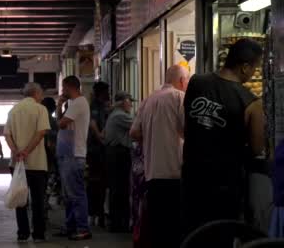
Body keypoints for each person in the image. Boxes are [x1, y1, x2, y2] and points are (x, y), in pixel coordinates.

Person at [182, 38, 265, 236]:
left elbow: (185, 122)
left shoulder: (196, 82)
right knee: (221, 236)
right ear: (245, 67)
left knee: (193, 235)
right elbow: (256, 148)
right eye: (254, 68)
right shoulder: (251, 103)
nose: (253, 73)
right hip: (225, 184)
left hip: (192, 178)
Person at [130, 65, 189, 248]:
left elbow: (134, 132)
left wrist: (151, 139)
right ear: (181, 81)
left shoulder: (148, 100)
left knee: (157, 227)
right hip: (174, 172)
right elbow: (189, 130)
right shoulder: (179, 97)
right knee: (174, 228)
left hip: (152, 173)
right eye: (187, 80)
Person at [4, 82, 51, 243]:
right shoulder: (41, 109)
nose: (42, 96)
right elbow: (41, 133)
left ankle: (22, 233)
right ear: (36, 93)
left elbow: (7, 135)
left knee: (20, 199)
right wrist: (27, 152)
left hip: (17, 164)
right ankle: (38, 234)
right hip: (37, 163)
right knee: (38, 200)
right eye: (41, 93)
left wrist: (17, 151)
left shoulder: (13, 110)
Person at [55, 76, 92, 241]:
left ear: (70, 87)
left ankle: (83, 229)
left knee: (76, 194)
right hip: (69, 154)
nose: (63, 92)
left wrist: (59, 104)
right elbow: (61, 121)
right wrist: (59, 104)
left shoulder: (79, 103)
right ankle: (70, 226)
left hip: (74, 155)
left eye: (64, 88)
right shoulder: (73, 104)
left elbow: (61, 123)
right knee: (69, 195)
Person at [104, 91, 135, 233]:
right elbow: (138, 125)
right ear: (122, 102)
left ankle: (117, 221)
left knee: (118, 189)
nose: (131, 104)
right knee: (120, 189)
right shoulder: (120, 116)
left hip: (114, 154)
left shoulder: (114, 114)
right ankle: (118, 223)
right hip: (118, 154)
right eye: (130, 101)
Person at [87, 81, 109, 228]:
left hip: (97, 150)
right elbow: (92, 122)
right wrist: (100, 136)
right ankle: (96, 213)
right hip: (96, 151)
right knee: (97, 183)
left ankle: (97, 214)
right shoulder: (95, 105)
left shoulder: (101, 105)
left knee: (98, 183)